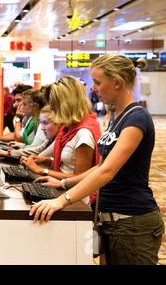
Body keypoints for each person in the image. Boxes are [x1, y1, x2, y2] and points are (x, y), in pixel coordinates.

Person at [29, 54, 164, 265]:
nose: (93, 89)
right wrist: (64, 183)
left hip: (132, 223)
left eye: (98, 82)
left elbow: (107, 171)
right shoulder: (118, 117)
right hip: (112, 222)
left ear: (117, 82)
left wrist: (61, 200)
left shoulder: (137, 118)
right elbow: (100, 166)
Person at [24, 77, 102, 204]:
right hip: (65, 192)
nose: (52, 108)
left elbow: (80, 178)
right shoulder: (68, 128)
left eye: (54, 104)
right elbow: (69, 162)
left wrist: (42, 171)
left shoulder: (83, 133)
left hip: (76, 201)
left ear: (67, 102)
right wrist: (48, 161)